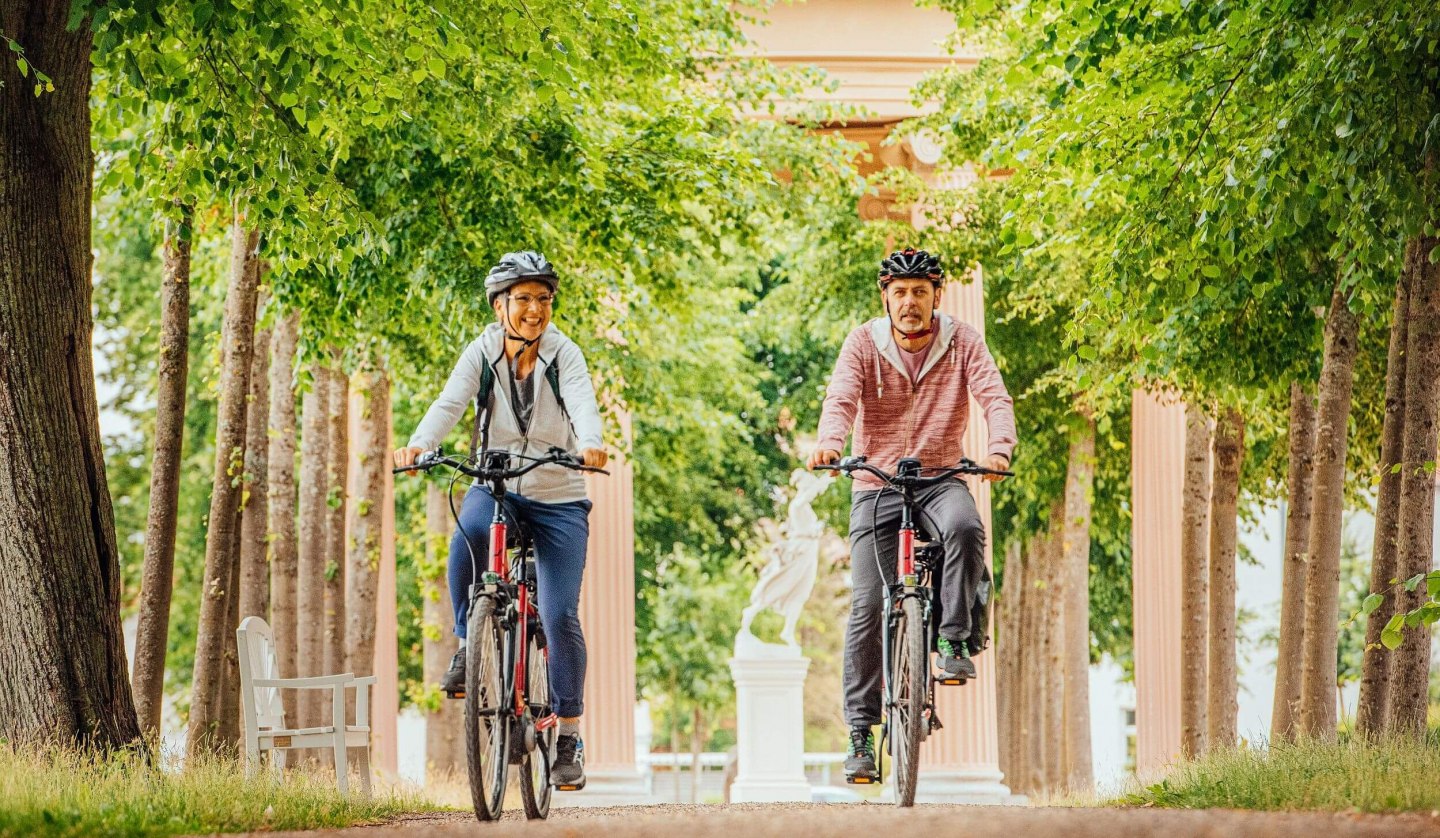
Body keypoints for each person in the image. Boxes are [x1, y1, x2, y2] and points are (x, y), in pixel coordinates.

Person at [393, 250, 607, 790]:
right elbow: (449, 402)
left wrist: (591, 443)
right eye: (523, 300)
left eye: (543, 299)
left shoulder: (565, 355)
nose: (535, 310)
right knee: (466, 537)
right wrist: (421, 444)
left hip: (559, 492)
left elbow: (583, 402)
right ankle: (470, 643)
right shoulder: (483, 352)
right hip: (499, 485)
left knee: (559, 615)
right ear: (499, 306)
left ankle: (568, 736)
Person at [807, 248, 1017, 783]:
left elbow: (994, 396)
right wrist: (830, 445)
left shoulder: (963, 340)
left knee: (966, 527)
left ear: (935, 297)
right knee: (865, 607)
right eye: (899, 292)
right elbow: (841, 400)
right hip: (874, 482)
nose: (909, 302)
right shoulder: (863, 342)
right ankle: (860, 732)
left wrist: (999, 449)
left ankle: (950, 638)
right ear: (885, 295)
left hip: (941, 477)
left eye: (919, 291)